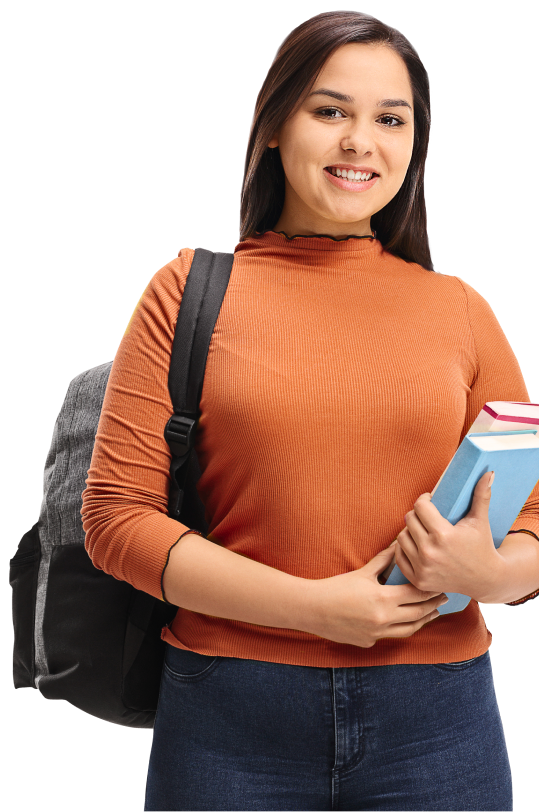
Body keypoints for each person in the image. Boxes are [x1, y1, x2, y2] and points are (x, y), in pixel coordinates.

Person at [81, 11, 537, 811]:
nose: (360, 140)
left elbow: (536, 519)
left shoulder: (460, 309)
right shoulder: (185, 291)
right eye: (330, 111)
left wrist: (489, 573)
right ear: (272, 127)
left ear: (414, 150)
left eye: (389, 119)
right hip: (227, 709)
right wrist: (318, 609)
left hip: (438, 720)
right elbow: (117, 520)